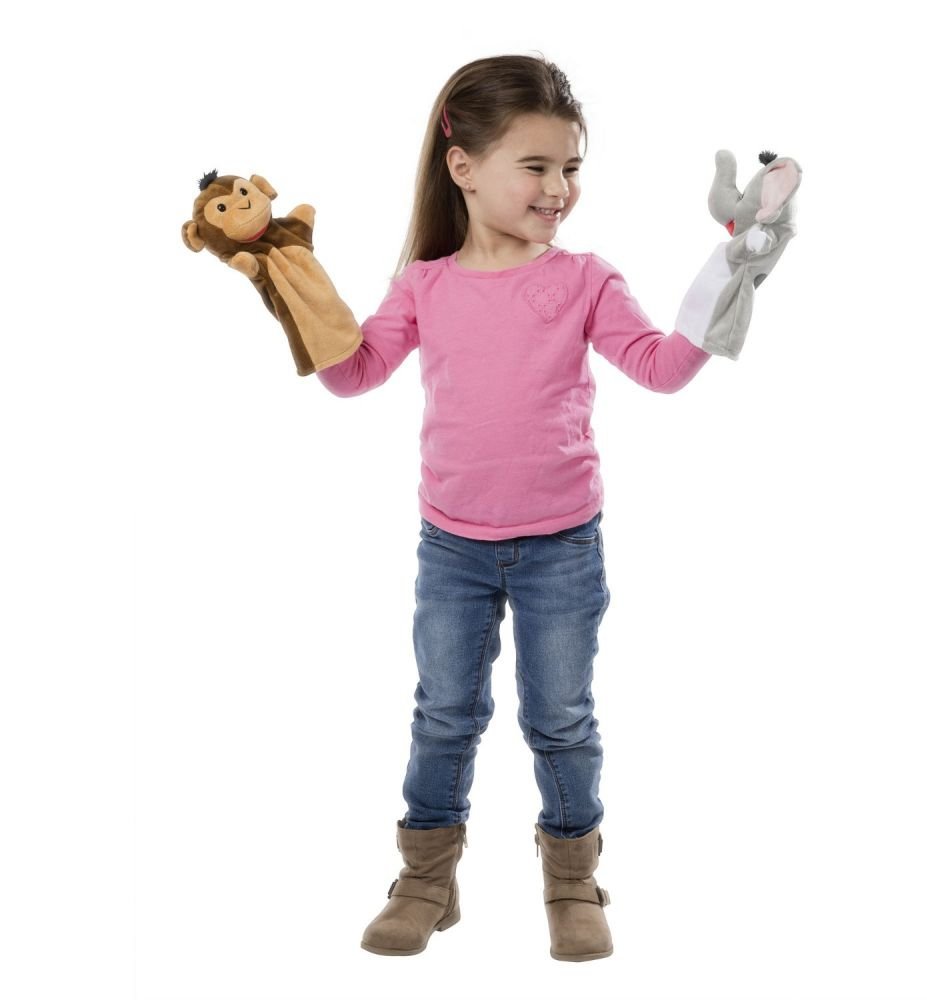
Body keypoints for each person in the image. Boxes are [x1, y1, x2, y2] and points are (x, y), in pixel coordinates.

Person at [266, 53, 729, 962]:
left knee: (561, 718)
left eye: (571, 168)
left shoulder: (586, 278)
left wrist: (730, 276)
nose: (559, 188)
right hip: (453, 547)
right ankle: (426, 881)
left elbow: (661, 368)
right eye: (537, 166)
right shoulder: (426, 285)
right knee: (444, 713)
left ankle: (572, 880)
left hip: (562, 546)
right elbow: (353, 376)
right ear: (464, 167)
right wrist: (291, 289)